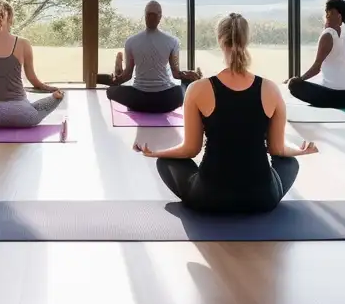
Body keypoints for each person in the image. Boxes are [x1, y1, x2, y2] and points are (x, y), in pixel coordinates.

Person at [133, 13, 318, 214]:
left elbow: (190, 150)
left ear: (220, 41)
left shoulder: (197, 89)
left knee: (165, 162)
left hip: (209, 197)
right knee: (289, 162)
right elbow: (277, 148)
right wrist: (299, 150)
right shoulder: (271, 89)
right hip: (262, 198)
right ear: (247, 40)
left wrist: (154, 153)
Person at [0, 0, 64, 128]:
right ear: (10, 19)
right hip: (21, 115)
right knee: (44, 104)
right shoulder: (23, 43)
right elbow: (34, 81)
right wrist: (50, 89)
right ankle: (56, 96)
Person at [97, 0, 201, 113]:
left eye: (152, 15)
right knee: (185, 88)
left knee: (110, 91)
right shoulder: (172, 41)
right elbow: (176, 74)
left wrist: (117, 79)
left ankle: (114, 79)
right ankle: (191, 82)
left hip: (138, 101)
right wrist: (189, 75)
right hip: (166, 101)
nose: (151, 18)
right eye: (149, 15)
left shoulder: (131, 41)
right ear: (160, 17)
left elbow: (127, 76)